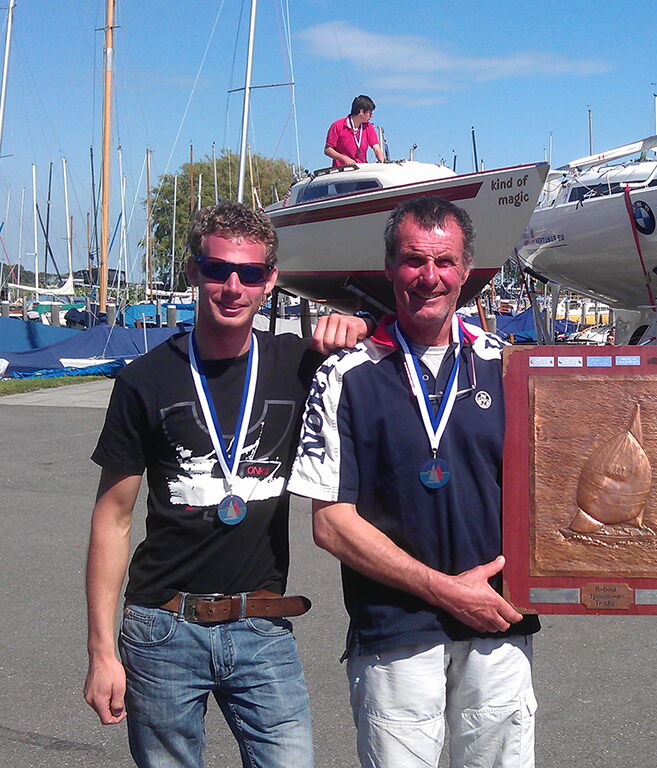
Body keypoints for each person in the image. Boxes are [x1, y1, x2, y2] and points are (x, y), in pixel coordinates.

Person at [83, 201, 370, 767]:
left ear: (270, 282)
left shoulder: (300, 364)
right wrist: (100, 651)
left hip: (262, 625)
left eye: (251, 273)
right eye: (218, 270)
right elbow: (113, 520)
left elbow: (390, 348)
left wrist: (358, 324)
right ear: (194, 272)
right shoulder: (145, 380)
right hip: (162, 625)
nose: (232, 286)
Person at [287, 195, 541, 768]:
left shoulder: (512, 370)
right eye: (413, 260)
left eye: (445, 262)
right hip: (394, 633)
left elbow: (569, 492)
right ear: (389, 269)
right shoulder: (345, 374)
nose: (430, 276)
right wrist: (444, 589)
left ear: (467, 271)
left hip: (498, 625)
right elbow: (330, 524)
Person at [324, 94, 386, 167]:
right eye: (370, 113)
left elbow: (376, 147)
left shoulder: (369, 127)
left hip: (361, 170)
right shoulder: (337, 126)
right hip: (342, 171)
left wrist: (382, 162)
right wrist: (344, 158)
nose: (372, 116)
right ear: (361, 112)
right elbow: (328, 150)